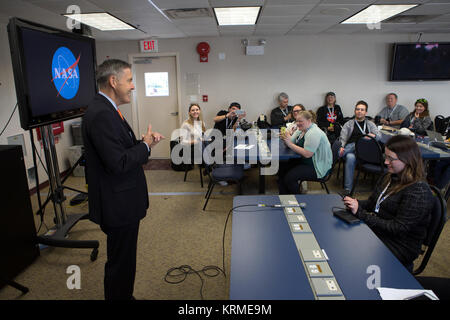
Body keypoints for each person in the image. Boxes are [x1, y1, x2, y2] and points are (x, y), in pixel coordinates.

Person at [82, 59, 164, 300]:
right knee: (120, 263)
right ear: (113, 81)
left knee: (124, 260)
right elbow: (118, 163)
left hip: (122, 200)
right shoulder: (101, 114)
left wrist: (141, 144)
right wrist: (146, 146)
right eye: (129, 80)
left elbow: (117, 152)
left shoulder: (106, 109)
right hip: (117, 204)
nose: (133, 86)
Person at [343, 135, 433, 271]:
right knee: (346, 239)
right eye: (386, 157)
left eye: (391, 159)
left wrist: (361, 214)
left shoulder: (418, 190)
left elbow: (398, 228)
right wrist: (356, 203)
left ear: (407, 159)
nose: (386, 162)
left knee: (351, 254)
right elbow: (373, 203)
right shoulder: (390, 176)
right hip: (380, 232)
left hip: (399, 245)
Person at [279, 110, 332, 194]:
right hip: (306, 161)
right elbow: (291, 142)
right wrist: (286, 137)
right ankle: (284, 198)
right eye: (297, 121)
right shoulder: (301, 129)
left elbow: (307, 154)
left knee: (290, 178)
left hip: (317, 166)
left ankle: (298, 200)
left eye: (300, 121)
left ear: (309, 121)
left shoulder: (314, 132)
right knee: (282, 168)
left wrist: (290, 144)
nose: (298, 123)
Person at [339, 101, 381, 195]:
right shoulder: (349, 124)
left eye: (362, 110)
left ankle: (336, 155)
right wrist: (341, 146)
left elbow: (379, 137)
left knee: (359, 142)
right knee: (350, 157)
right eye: (357, 109)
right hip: (352, 152)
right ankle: (348, 190)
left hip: (365, 152)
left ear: (365, 112)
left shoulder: (370, 124)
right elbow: (343, 137)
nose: (359, 111)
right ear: (355, 111)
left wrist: (373, 135)